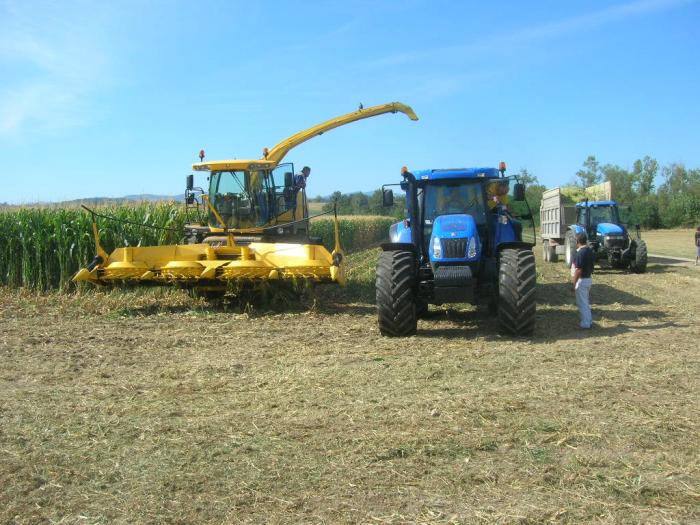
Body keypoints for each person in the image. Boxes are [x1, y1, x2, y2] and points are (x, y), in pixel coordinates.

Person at [572, 231, 594, 329]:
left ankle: (585, 324)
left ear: (578, 241)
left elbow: (578, 270)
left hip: (582, 280)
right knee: (586, 302)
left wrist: (574, 283)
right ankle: (589, 320)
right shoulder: (590, 251)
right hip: (588, 278)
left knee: (582, 303)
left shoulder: (580, 253)